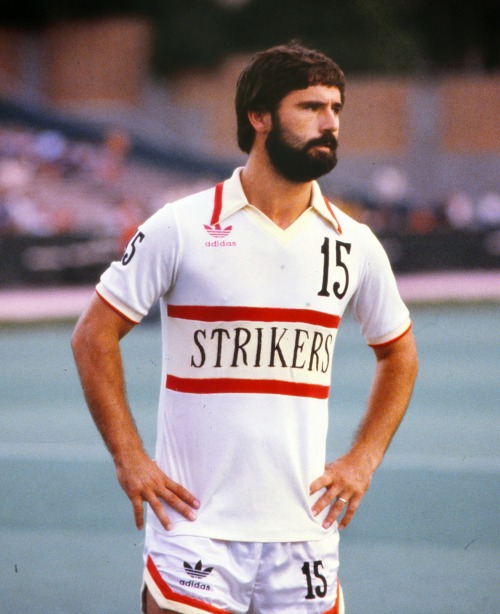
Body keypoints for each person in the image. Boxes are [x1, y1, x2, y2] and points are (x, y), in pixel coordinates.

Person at [71, 42, 418, 614]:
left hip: (305, 535)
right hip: (194, 528)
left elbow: (400, 355)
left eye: (336, 107)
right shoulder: (182, 226)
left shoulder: (354, 242)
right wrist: (129, 456)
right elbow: (93, 334)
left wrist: (362, 460)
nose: (330, 122)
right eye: (310, 106)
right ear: (259, 116)